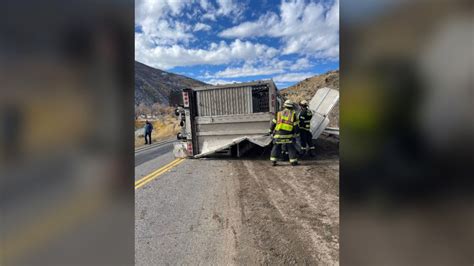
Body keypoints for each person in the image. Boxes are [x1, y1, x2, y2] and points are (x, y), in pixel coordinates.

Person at [269, 100, 300, 166]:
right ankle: (293, 162)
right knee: (291, 148)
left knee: (276, 147)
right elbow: (295, 126)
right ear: (291, 107)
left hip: (278, 134)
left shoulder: (279, 113)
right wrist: (296, 134)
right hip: (288, 135)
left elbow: (273, 123)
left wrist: (270, 130)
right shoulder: (293, 114)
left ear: (284, 106)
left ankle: (273, 161)